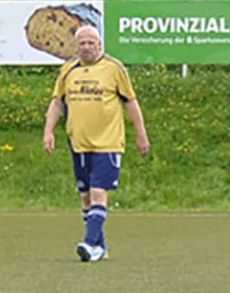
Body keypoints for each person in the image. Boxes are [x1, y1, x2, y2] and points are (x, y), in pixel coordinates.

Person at [42, 25, 150, 261]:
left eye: (91, 43)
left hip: (107, 143)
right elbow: (57, 102)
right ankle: (100, 248)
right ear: (76, 46)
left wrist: (141, 134)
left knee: (98, 192)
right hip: (79, 143)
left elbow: (131, 102)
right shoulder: (68, 70)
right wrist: (48, 131)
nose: (87, 47)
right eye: (82, 43)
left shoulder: (114, 68)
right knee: (85, 197)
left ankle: (89, 243)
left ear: (100, 45)